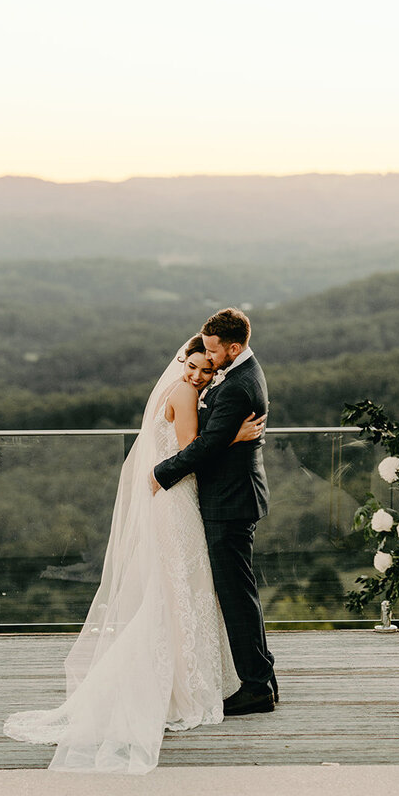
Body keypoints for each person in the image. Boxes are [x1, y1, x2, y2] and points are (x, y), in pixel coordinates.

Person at [3, 335, 265, 773]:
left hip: (183, 498)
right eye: (194, 367)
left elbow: (197, 444)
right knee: (183, 587)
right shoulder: (183, 392)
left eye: (207, 370)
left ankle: (206, 674)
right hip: (177, 496)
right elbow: (192, 450)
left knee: (186, 587)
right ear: (183, 361)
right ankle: (186, 682)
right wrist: (234, 436)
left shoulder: (192, 390)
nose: (199, 376)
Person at [153, 307, 276, 716]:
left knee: (235, 595)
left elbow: (204, 447)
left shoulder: (239, 385)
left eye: (212, 351)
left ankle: (257, 687)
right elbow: (216, 437)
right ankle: (264, 674)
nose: (206, 358)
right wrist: (232, 436)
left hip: (230, 500)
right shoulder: (243, 370)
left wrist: (161, 472)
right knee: (241, 592)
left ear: (233, 348)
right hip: (235, 495)